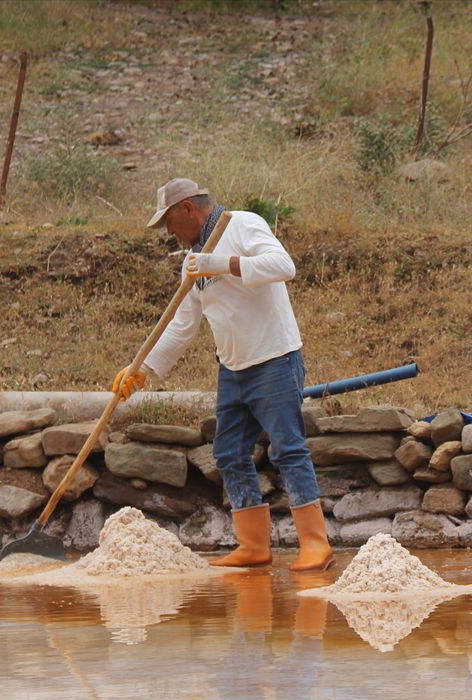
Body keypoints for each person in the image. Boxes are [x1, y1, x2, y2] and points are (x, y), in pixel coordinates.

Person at [112, 178, 334, 572]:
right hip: (233, 369)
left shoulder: (243, 225)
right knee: (228, 453)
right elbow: (182, 325)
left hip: (274, 360)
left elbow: (284, 266)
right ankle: (253, 547)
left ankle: (316, 545)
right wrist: (141, 370)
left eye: (169, 222)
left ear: (187, 209)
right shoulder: (191, 261)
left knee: (288, 449)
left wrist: (225, 264)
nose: (168, 233)